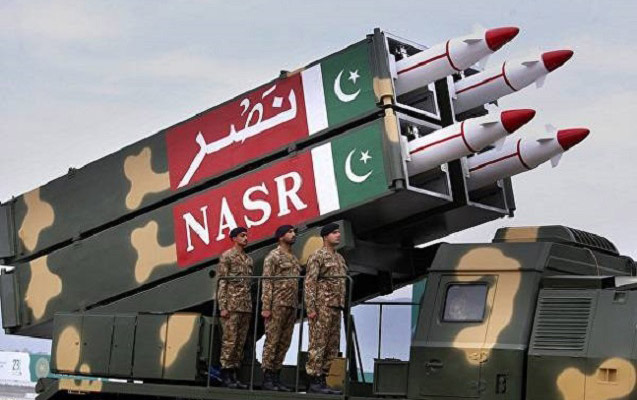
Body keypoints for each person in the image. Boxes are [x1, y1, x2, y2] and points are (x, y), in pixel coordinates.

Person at [304, 223, 348, 395]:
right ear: (325, 236)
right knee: (318, 343)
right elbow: (310, 283)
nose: (338, 235)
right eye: (334, 233)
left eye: (338, 232)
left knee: (332, 345)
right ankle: (314, 380)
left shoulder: (339, 258)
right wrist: (311, 307)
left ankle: (323, 379)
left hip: (336, 306)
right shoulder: (317, 256)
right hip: (322, 306)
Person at [260, 225, 302, 391]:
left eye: (294, 232)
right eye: (289, 232)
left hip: (291, 305)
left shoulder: (294, 258)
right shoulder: (273, 256)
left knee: (284, 342)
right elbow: (267, 282)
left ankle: (276, 376)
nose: (293, 234)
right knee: (272, 341)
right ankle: (267, 378)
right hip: (276, 305)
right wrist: (266, 306)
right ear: (280, 237)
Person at [216, 226, 253, 389]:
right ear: (234, 238)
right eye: (242, 235)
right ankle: (225, 374)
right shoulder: (227, 257)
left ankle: (234, 375)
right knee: (230, 341)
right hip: (231, 306)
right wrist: (223, 306)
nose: (245, 238)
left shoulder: (248, 259)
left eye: (246, 235)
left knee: (240, 342)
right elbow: (222, 282)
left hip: (245, 306)